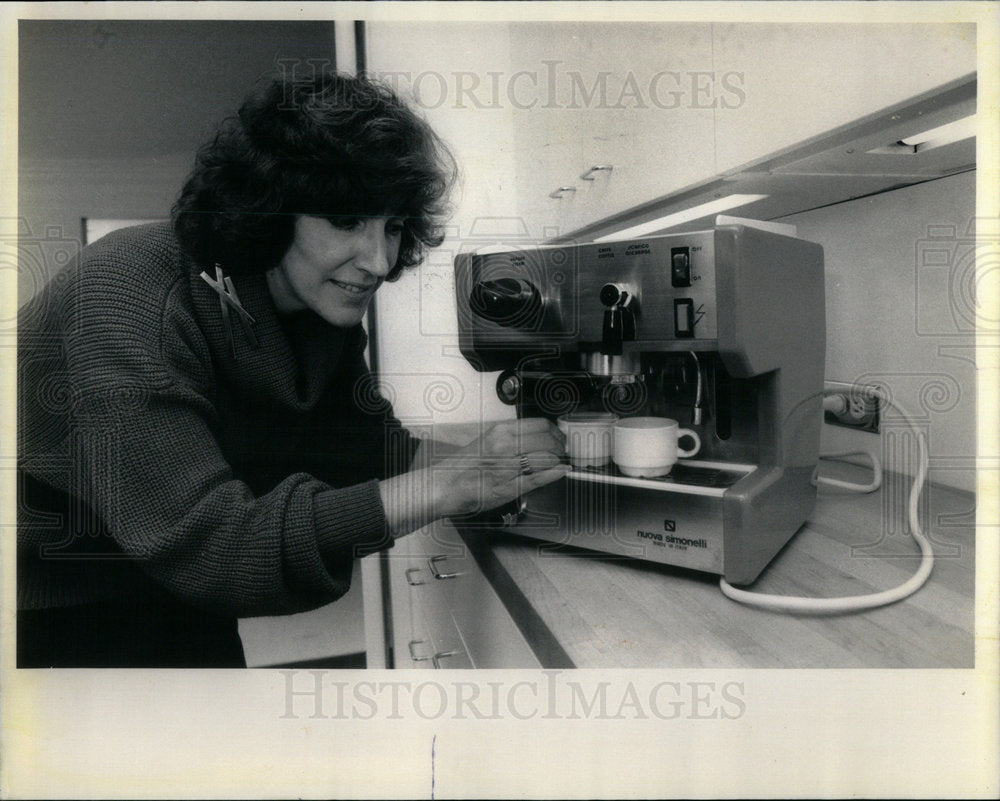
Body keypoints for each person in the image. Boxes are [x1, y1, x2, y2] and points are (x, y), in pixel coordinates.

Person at [17, 70, 568, 668]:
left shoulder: (315, 310)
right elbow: (219, 552)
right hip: (47, 602)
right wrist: (452, 483)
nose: (380, 261)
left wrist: (516, 461)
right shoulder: (128, 295)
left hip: (175, 584)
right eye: (346, 220)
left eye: (392, 227)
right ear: (271, 208)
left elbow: (375, 453)